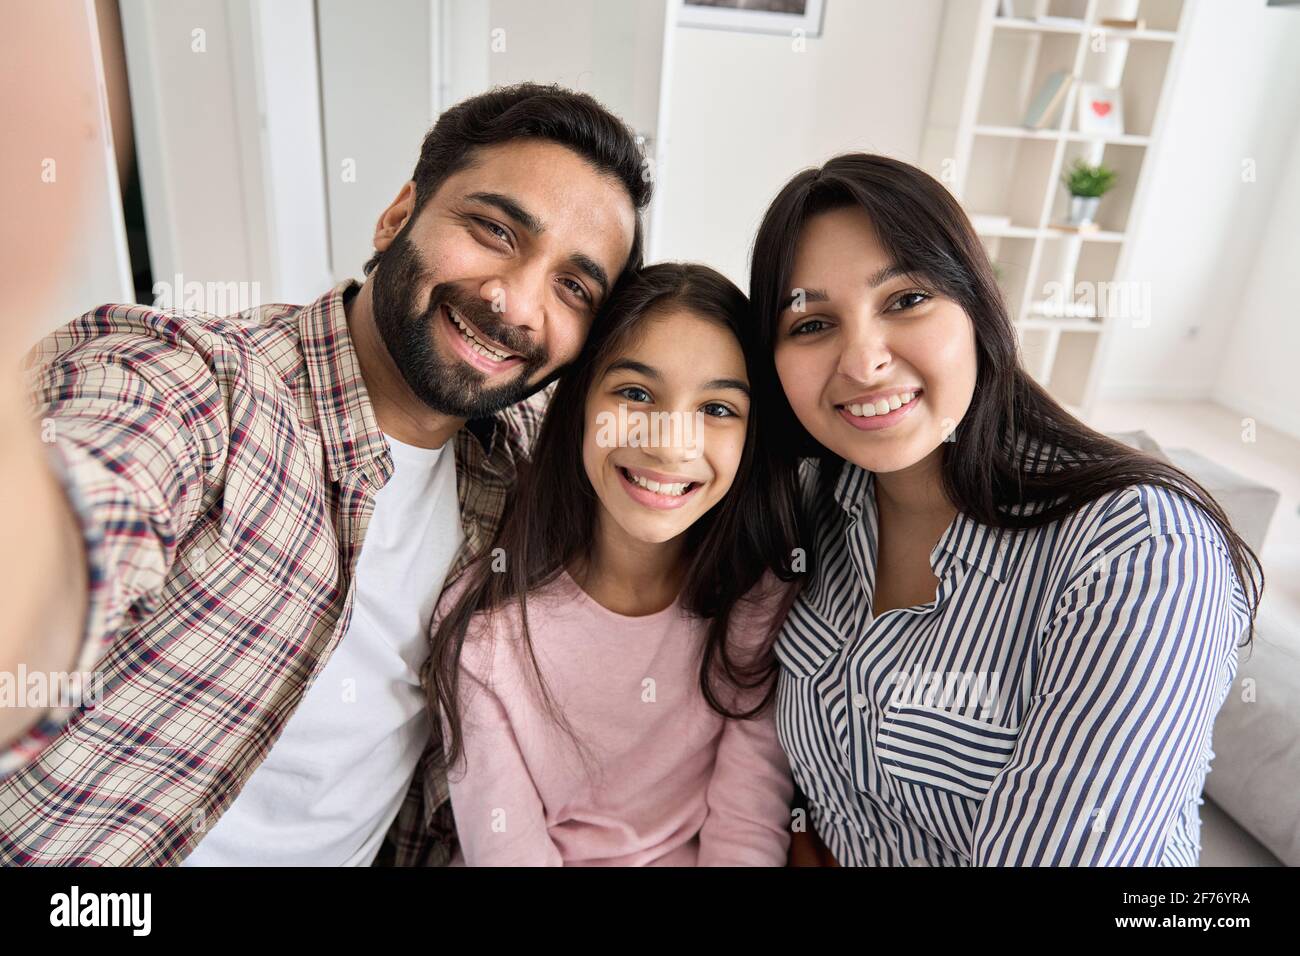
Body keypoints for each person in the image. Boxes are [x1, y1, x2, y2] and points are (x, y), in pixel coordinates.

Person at [0, 83, 649, 866]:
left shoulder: (518, 460)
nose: (514, 303)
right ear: (397, 215)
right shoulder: (199, 388)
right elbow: (95, 488)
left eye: (572, 287)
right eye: (495, 231)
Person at [748, 153, 1264, 867]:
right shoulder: (814, 506)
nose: (862, 362)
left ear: (977, 307)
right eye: (811, 324)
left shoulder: (1144, 552)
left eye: (904, 301)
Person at [430, 264, 800, 865]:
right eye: (635, 394)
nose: (669, 443)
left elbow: (747, 826)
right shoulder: (484, 634)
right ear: (579, 406)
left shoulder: (758, 607)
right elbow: (506, 850)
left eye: (717, 409)